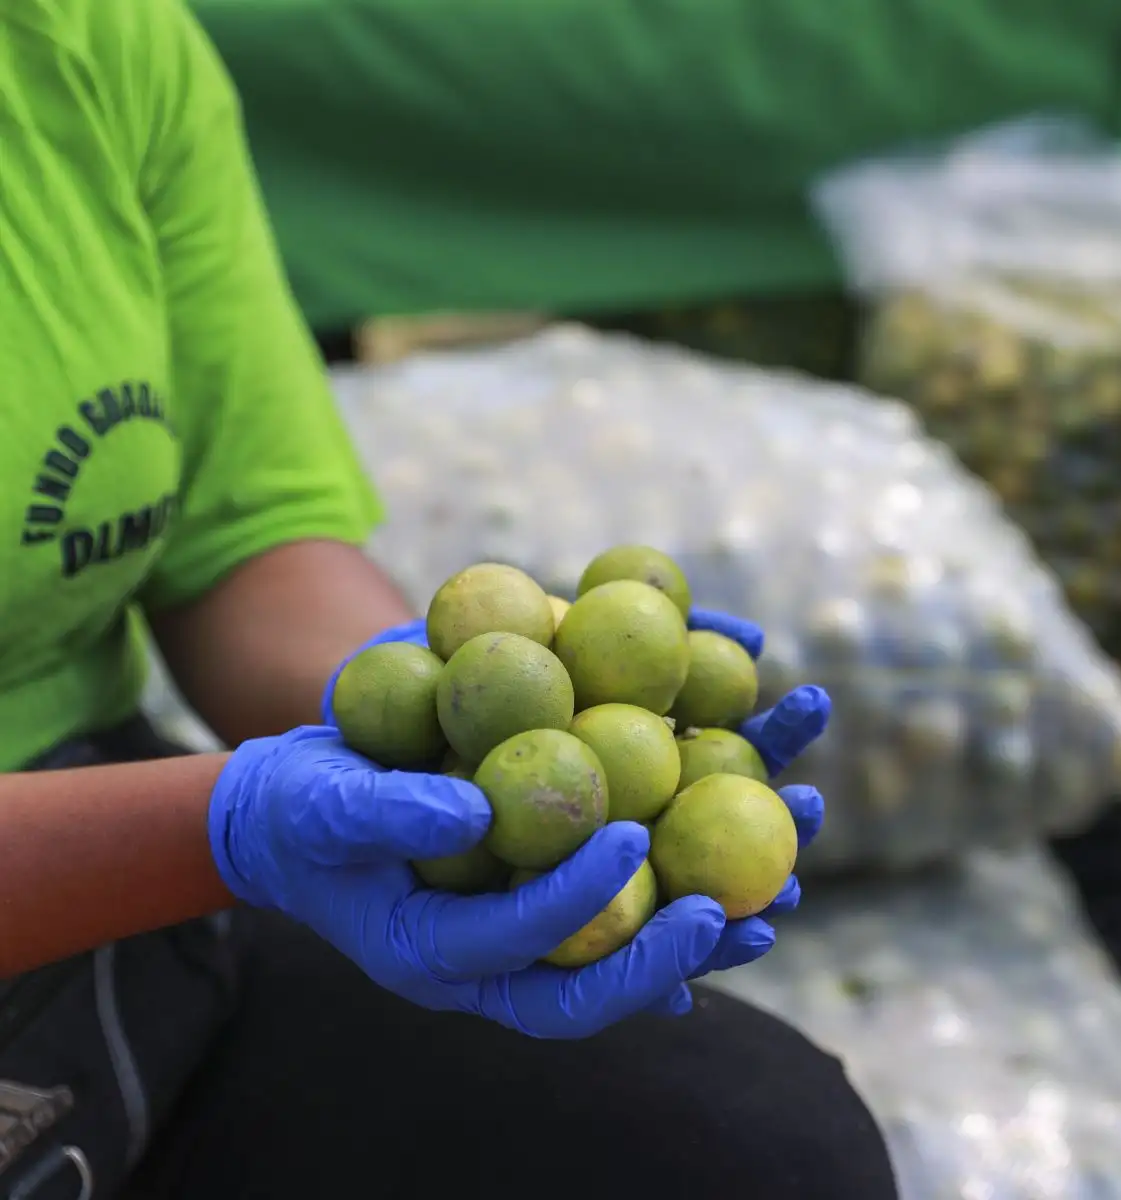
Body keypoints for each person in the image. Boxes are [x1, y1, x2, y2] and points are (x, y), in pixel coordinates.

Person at [0, 1, 900, 1197]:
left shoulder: (89, 39)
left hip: (112, 890)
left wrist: (433, 741)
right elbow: (221, 826)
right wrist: (224, 826)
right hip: (101, 856)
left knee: (749, 1151)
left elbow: (243, 543)